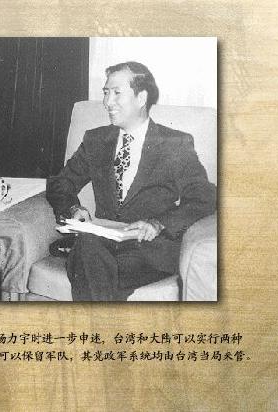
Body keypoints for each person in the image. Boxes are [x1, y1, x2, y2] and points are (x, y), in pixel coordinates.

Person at [46, 62, 216, 301]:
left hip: (147, 250)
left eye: (117, 93)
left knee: (88, 261)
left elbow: (203, 197)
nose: (107, 102)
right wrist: (73, 208)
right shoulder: (96, 140)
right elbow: (60, 184)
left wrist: (158, 223)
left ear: (141, 98)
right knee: (89, 249)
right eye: (106, 93)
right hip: (98, 244)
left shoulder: (174, 144)